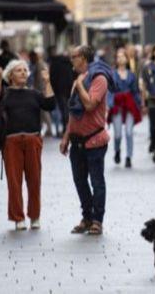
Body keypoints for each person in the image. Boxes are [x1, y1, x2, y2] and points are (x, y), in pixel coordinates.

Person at [0, 59, 55, 230]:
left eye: (25, 70)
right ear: (10, 75)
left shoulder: (33, 94)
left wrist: (47, 82)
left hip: (33, 140)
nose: (24, 73)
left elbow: (50, 104)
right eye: (19, 70)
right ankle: (18, 217)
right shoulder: (5, 94)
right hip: (11, 142)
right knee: (14, 182)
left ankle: (35, 216)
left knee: (34, 180)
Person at [60, 45, 115, 236]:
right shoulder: (79, 79)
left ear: (83, 58)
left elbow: (90, 104)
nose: (71, 60)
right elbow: (73, 111)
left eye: (73, 57)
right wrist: (66, 136)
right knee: (79, 181)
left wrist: (81, 85)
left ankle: (97, 220)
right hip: (76, 141)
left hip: (95, 141)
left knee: (96, 181)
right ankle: (87, 217)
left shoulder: (98, 78)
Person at [108, 48, 143, 168]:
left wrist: (140, 104)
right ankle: (117, 151)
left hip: (129, 104)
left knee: (129, 132)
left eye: (123, 56)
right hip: (117, 105)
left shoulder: (132, 75)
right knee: (117, 134)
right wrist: (109, 103)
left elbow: (135, 91)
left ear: (127, 59)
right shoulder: (112, 74)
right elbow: (110, 91)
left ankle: (129, 157)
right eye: (118, 56)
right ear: (116, 60)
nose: (120, 58)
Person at [27, 50, 54, 136]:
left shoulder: (40, 65)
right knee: (41, 112)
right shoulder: (40, 64)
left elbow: (42, 80)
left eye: (31, 57)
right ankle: (43, 128)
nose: (30, 59)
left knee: (44, 112)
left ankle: (49, 129)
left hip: (41, 90)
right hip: (40, 90)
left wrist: (42, 91)